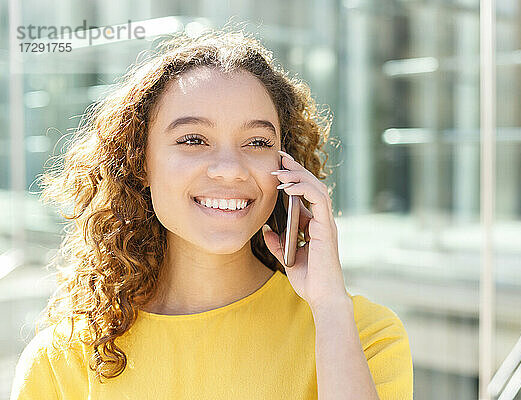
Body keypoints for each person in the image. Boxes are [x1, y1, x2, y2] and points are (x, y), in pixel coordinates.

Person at [10, 27, 413, 400]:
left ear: (286, 167)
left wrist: (329, 309)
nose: (230, 168)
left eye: (256, 142)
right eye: (193, 139)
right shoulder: (63, 360)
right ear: (139, 162)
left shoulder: (363, 335)